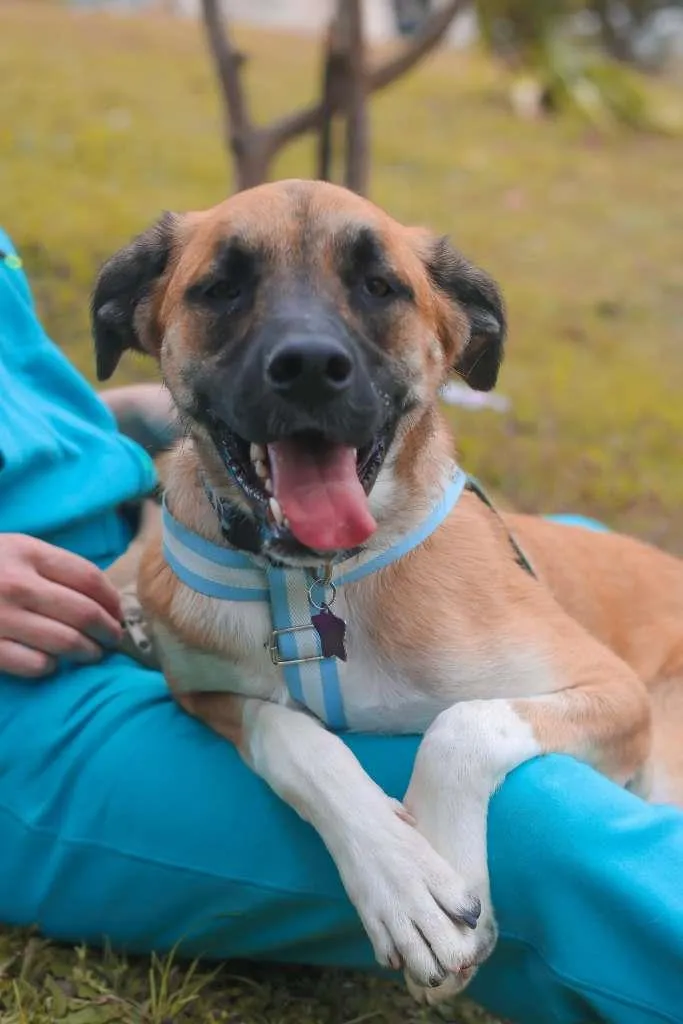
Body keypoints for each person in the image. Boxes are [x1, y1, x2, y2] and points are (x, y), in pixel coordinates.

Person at [1, 225, 682, 1024]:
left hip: (142, 538)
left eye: (376, 290)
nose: (307, 348)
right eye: (224, 290)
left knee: (576, 558)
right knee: (536, 823)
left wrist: (125, 422)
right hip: (34, 696)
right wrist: (315, 774)